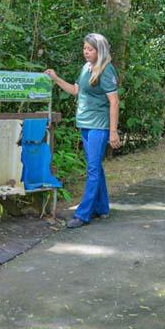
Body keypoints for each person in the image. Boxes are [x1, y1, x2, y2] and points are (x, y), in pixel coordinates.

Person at [45, 33, 121, 228]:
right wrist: (55, 79)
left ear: (99, 50)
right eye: (85, 48)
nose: (86, 52)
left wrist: (113, 131)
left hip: (99, 125)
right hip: (85, 123)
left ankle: (83, 214)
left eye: (90, 49)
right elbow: (75, 90)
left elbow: (114, 102)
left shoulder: (106, 70)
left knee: (93, 169)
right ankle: (102, 208)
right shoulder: (86, 68)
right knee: (95, 166)